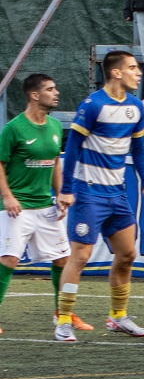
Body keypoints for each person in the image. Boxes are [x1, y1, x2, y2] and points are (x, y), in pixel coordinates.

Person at [53, 50, 144, 341]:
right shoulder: (93, 104)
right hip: (88, 194)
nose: (138, 73)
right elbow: (73, 147)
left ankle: (118, 317)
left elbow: (138, 149)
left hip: (117, 194)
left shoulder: (136, 107)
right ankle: (63, 320)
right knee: (81, 256)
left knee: (127, 254)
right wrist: (67, 191)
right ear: (116, 72)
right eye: (132, 68)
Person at [0, 74, 89, 335]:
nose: (56, 92)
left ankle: (62, 313)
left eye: (55, 87)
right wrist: (7, 196)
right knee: (9, 259)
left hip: (45, 206)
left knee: (63, 260)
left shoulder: (54, 126)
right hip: (17, 207)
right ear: (34, 95)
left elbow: (55, 163)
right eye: (50, 89)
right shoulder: (14, 128)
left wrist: (61, 194)